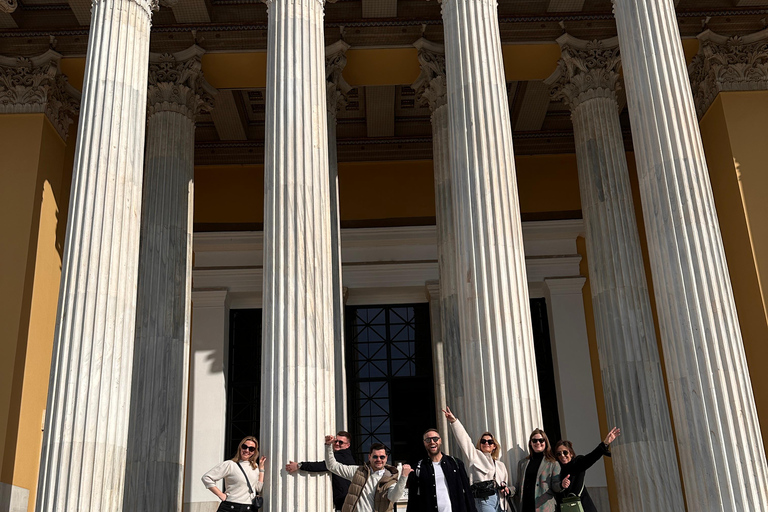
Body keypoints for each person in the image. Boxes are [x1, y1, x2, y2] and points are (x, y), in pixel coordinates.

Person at [443, 406, 511, 511]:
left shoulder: (500, 465)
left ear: (494, 446)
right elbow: (464, 441)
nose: (486, 443)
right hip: (483, 499)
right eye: (483, 441)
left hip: (500, 501)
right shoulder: (475, 456)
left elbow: (506, 483)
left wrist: (506, 488)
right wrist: (454, 421)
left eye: (490, 441)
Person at [324, 434, 411, 512]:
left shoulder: (390, 478)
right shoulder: (358, 472)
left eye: (382, 457)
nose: (378, 460)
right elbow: (332, 466)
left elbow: (394, 497)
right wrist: (328, 446)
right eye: (375, 456)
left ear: (386, 458)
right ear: (369, 457)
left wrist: (403, 477)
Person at [406, 428, 478, 512]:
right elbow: (413, 499)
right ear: (424, 443)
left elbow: (467, 492)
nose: (432, 442)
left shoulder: (455, 463)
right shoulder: (418, 468)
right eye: (428, 440)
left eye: (435, 439)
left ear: (440, 441)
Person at [286, 430, 356, 511]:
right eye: (336, 441)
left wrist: (299, 465)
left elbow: (322, 465)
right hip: (345, 501)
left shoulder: (343, 456)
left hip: (345, 502)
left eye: (341, 442)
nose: (337, 443)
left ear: (348, 445)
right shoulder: (344, 456)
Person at [554, 427, 620, 512]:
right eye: (559, 454)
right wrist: (561, 485)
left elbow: (591, 458)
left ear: (570, 453)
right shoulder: (556, 469)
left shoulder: (577, 463)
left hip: (583, 507)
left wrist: (605, 443)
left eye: (565, 452)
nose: (562, 455)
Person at [202, 435, 266, 511]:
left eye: (251, 449)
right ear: (240, 447)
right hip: (230, 507)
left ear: (254, 452)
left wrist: (261, 469)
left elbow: (258, 488)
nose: (247, 450)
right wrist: (220, 495)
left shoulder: (254, 466)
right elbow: (206, 478)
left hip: (249, 508)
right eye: (244, 447)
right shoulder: (230, 464)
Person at [514, 429, 561, 512]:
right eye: (534, 440)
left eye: (541, 440)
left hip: (544, 507)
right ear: (530, 443)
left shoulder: (553, 463)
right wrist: (508, 490)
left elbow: (555, 486)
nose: (538, 443)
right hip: (526, 507)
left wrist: (562, 485)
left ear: (546, 442)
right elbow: (518, 487)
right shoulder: (522, 464)